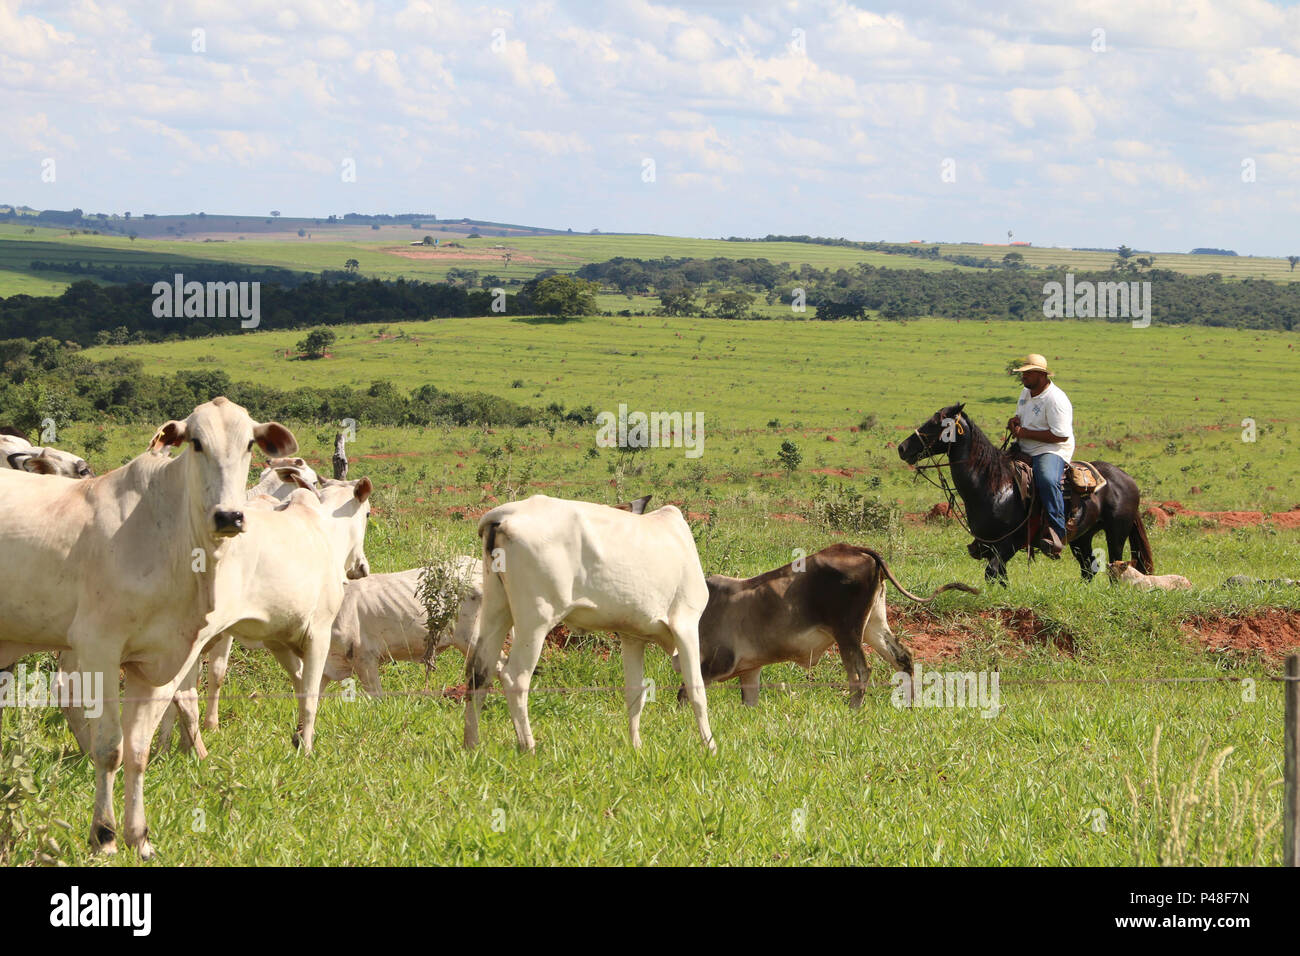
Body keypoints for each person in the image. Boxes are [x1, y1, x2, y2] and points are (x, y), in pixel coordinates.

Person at [1006, 353, 1074, 558]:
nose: (1023, 377)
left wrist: (1025, 433)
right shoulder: (1026, 392)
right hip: (1024, 446)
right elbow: (1021, 416)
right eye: (1023, 373)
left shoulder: (1056, 399)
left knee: (1046, 480)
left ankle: (1056, 532)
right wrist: (1015, 423)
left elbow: (1060, 436)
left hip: (1051, 450)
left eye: (1028, 374)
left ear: (1041, 375)